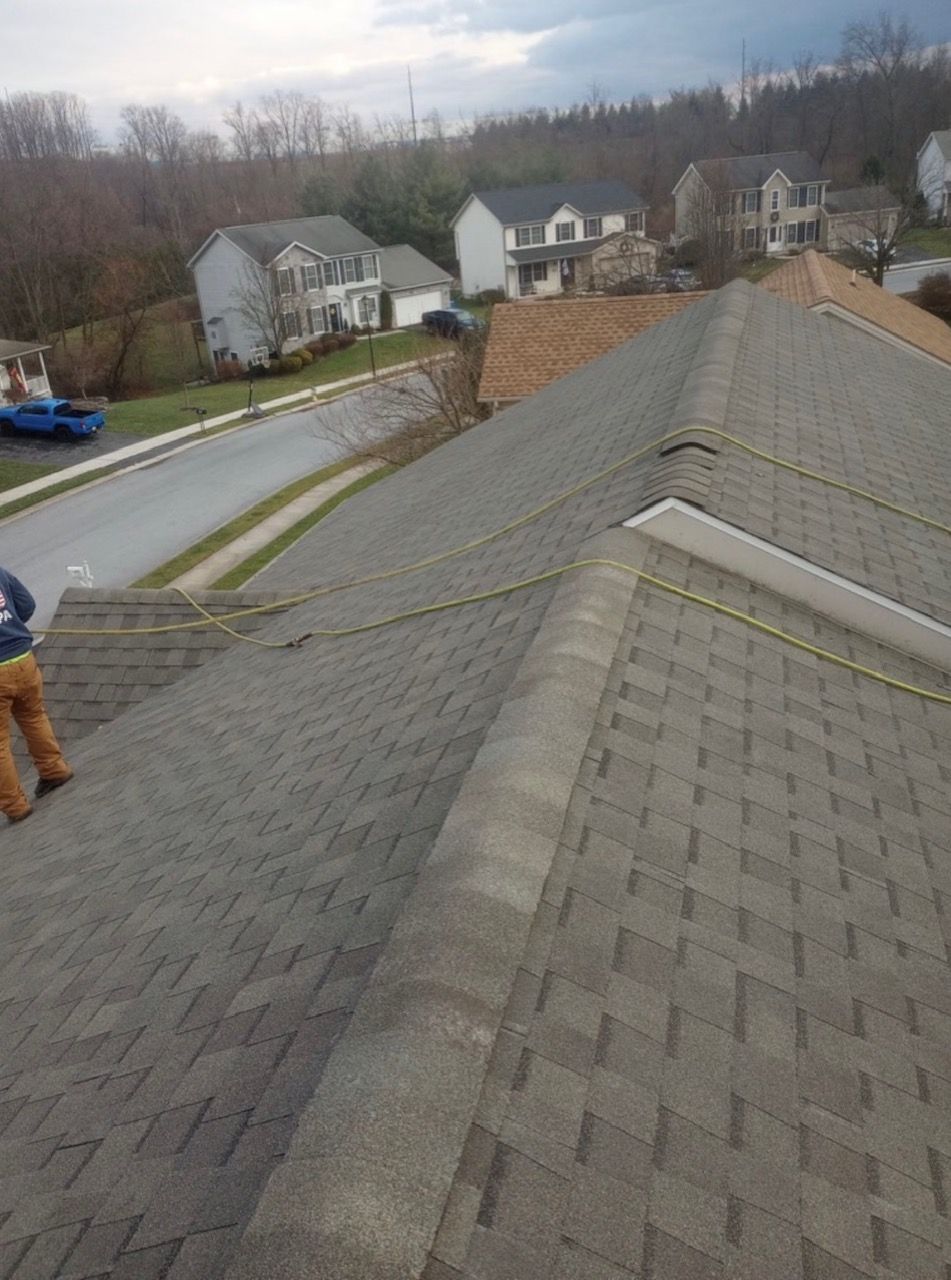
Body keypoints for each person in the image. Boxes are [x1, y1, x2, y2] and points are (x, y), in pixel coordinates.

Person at [0, 567, 72, 823]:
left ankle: (16, 806)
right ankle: (54, 770)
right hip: (23, 658)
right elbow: (27, 605)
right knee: (34, 716)